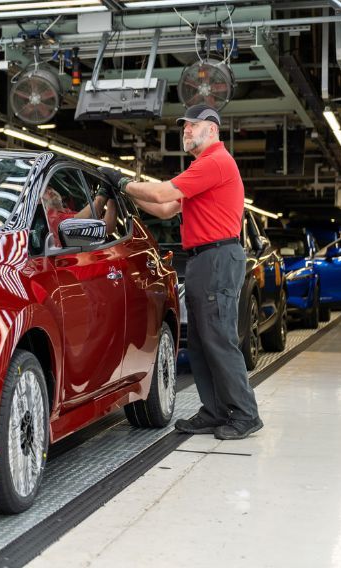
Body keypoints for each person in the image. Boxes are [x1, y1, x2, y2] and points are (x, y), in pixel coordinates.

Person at [98, 103, 263, 441]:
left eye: (193, 125)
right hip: (205, 258)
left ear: (212, 130)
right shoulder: (202, 167)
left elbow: (161, 192)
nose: (186, 131)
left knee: (218, 338)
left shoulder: (215, 162)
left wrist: (125, 181)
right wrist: (125, 193)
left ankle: (245, 413)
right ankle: (215, 410)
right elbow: (165, 208)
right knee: (202, 342)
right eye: (184, 127)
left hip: (218, 257)